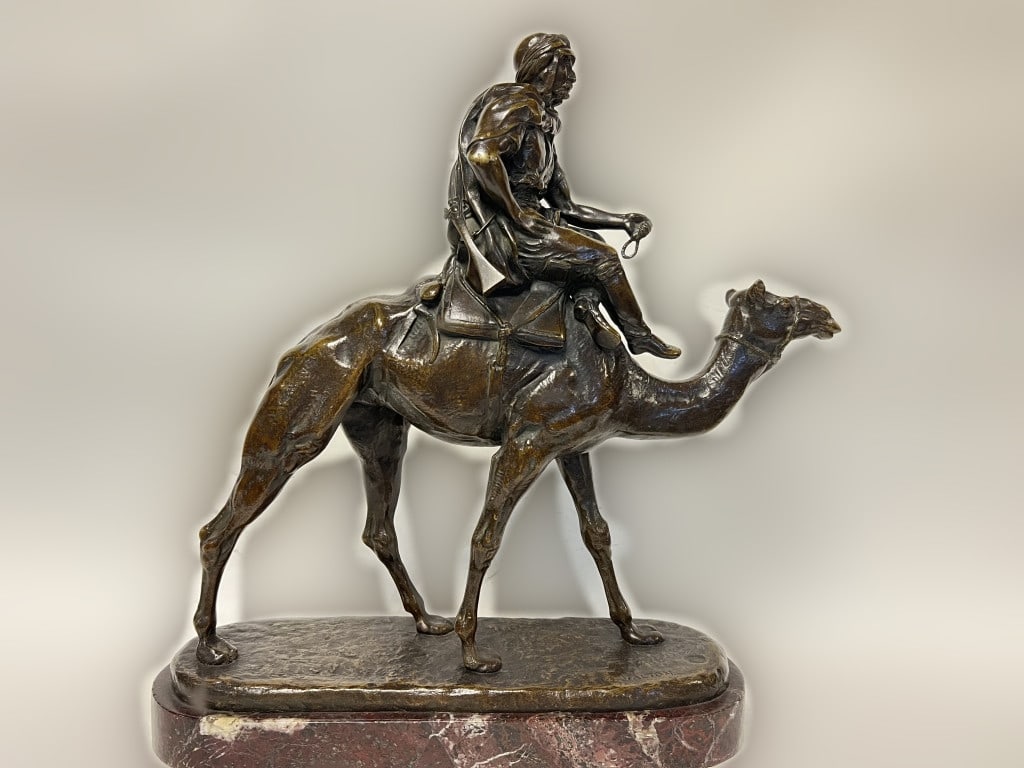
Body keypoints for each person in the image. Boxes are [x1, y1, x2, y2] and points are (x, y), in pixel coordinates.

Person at [445, 32, 680, 359]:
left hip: (528, 222)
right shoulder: (517, 104)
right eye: (565, 67)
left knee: (591, 242)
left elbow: (566, 207)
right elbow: (482, 156)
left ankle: (585, 306)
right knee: (604, 259)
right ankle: (638, 336)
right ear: (542, 68)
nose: (572, 78)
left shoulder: (542, 129)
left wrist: (623, 220)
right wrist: (516, 212)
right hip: (507, 230)